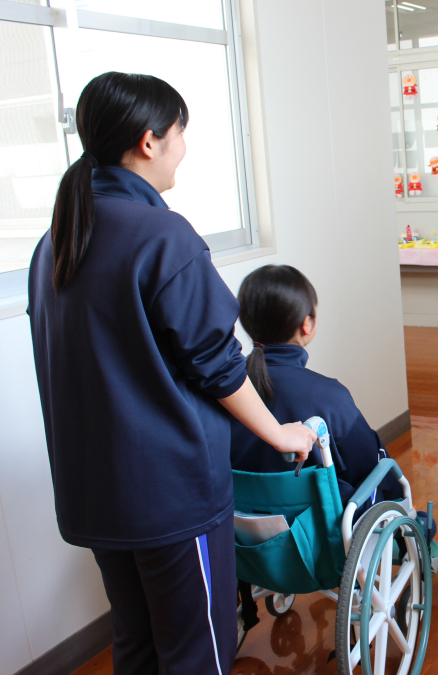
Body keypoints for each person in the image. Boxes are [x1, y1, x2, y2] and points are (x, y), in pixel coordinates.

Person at [27, 72, 316, 675]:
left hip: (95, 495)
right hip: (168, 497)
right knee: (196, 654)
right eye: (181, 131)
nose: (185, 145)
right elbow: (219, 365)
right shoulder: (162, 236)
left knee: (135, 645)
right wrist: (282, 434)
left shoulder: (57, 240)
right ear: (149, 141)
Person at [230, 264, 404, 507]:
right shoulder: (328, 397)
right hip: (321, 539)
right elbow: (373, 471)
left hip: (243, 538)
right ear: (306, 325)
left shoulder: (225, 392)